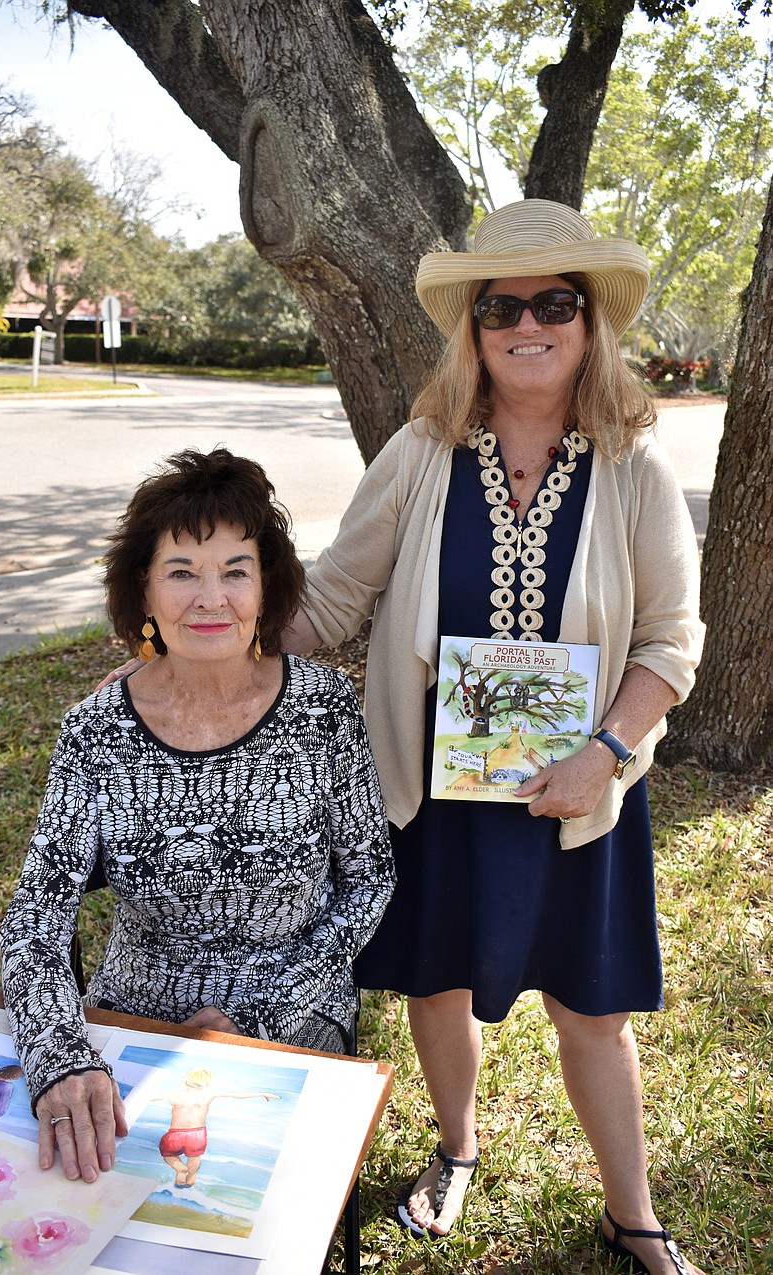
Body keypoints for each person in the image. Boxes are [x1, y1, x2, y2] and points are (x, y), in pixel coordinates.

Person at [283, 200, 706, 1274]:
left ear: (587, 323)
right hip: (435, 788)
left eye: (553, 303)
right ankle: (457, 1150)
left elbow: (671, 641)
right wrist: (200, 642)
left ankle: (633, 1213)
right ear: (471, 329)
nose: (527, 323)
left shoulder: (634, 465)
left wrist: (602, 754)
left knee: (593, 1004)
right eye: (500, 306)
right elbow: (334, 601)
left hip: (577, 788)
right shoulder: (422, 452)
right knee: (435, 981)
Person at [0, 446, 394, 1187]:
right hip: (135, 1019)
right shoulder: (96, 732)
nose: (210, 597)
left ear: (265, 587)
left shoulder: (325, 709)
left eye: (234, 570)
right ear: (143, 592)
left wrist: (257, 1020)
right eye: (181, 571)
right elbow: (35, 916)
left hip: (292, 1011)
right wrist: (61, 1058)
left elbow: (369, 880)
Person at [150, 1066, 280, 1188]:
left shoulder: (174, 1095)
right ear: (206, 1082)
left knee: (168, 1153)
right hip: (197, 1135)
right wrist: (262, 1093)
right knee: (194, 1158)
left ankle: (179, 1168)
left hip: (175, 1134)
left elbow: (150, 1098)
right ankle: (191, 1177)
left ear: (186, 1080)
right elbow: (236, 1095)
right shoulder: (208, 1095)